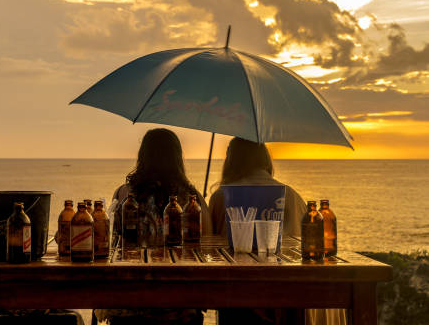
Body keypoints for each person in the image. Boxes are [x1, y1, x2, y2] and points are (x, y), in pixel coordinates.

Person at [208, 137, 346, 325]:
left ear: (231, 161)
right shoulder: (290, 195)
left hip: (236, 297)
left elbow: (210, 249)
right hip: (288, 298)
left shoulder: (221, 196)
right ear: (265, 159)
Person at [94, 128, 210, 325]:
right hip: (180, 307)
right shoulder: (192, 198)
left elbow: (112, 243)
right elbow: (207, 243)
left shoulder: (123, 194)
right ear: (177, 158)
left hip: (128, 306)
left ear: (142, 157)